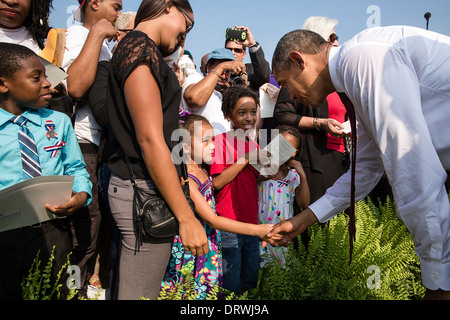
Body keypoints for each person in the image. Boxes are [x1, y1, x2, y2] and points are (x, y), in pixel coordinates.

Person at [267, 26, 450, 300]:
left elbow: (414, 171)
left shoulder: (363, 59)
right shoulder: (356, 72)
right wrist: (303, 220)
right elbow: (365, 169)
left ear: (298, 60)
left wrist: (437, 282)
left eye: (286, 83)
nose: (290, 96)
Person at [106, 0, 208, 300]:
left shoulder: (139, 49)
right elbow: (150, 140)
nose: (184, 37)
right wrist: (188, 219)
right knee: (139, 295)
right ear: (167, 7)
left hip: (144, 186)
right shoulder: (139, 50)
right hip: (142, 190)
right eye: (186, 25)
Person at [0, 43, 92, 299]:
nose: (47, 84)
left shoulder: (58, 121)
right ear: (3, 85)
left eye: (46, 76)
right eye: (36, 77)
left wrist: (81, 194)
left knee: (54, 290)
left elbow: (75, 167)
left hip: (54, 227)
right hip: (5, 232)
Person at [160, 113, 278, 299]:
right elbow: (212, 220)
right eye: (205, 141)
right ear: (186, 147)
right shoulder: (187, 180)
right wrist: (257, 230)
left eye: (213, 140)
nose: (213, 146)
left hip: (209, 245)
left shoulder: (202, 171)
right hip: (194, 250)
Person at [61, 0, 121, 298]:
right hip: (79, 143)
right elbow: (74, 87)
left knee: (100, 225)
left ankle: (85, 286)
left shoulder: (108, 44)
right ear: (94, 3)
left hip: (103, 147)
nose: (119, 14)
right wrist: (97, 34)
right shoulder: (74, 37)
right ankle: (73, 290)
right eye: (116, 5)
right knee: (82, 225)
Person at [273, 16, 348, 204]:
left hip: (342, 156)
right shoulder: (293, 80)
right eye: (331, 38)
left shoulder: (341, 79)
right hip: (314, 161)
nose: (336, 43)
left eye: (336, 37)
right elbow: (282, 115)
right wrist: (319, 123)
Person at [210, 85, 270, 295]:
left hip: (251, 222)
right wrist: (245, 160)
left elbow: (251, 178)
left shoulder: (252, 144)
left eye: (253, 112)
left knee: (250, 277)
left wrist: (272, 168)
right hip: (229, 223)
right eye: (242, 112)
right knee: (230, 283)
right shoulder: (219, 142)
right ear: (228, 115)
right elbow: (216, 183)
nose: (249, 118)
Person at [258, 125, 310, 267]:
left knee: (279, 271)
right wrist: (263, 175)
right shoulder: (260, 168)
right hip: (258, 228)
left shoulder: (293, 175)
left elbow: (304, 204)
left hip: (283, 232)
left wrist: (303, 176)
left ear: (294, 153)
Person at [181, 47, 245, 135]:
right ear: (208, 68)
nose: (223, 75)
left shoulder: (224, 96)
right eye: (220, 68)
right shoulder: (196, 78)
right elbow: (194, 100)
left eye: (228, 71)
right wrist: (221, 67)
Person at [224, 25, 271, 91]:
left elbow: (265, 78)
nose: (233, 53)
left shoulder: (252, 70)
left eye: (237, 50)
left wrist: (252, 45)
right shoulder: (218, 72)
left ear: (244, 54)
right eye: (229, 50)